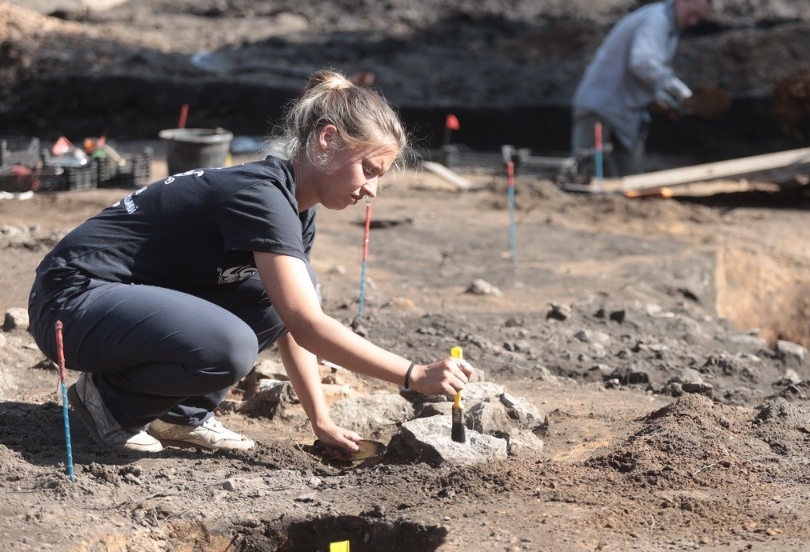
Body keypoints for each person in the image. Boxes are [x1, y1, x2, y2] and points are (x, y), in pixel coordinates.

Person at [28, 69, 475, 456]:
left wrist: (321, 420)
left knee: (291, 288)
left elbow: (290, 321)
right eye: (369, 170)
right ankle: (109, 402)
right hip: (70, 301)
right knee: (232, 346)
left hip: (110, 304)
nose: (372, 190)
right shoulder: (261, 195)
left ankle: (179, 414)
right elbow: (308, 326)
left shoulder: (297, 210)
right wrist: (413, 374)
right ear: (327, 140)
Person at [571, 0, 713, 179]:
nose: (693, 22)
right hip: (600, 106)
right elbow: (641, 63)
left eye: (699, 18)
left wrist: (663, 100)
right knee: (584, 176)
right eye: (693, 14)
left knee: (631, 179)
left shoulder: (670, 29)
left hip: (627, 112)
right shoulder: (656, 20)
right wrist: (681, 91)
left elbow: (649, 73)